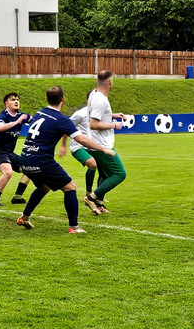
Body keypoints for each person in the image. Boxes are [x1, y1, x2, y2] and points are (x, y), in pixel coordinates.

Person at [16, 86, 114, 234]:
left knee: (44, 187)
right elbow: (82, 139)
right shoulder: (61, 119)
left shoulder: (39, 112)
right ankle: (74, 227)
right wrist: (103, 149)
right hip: (41, 160)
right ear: (63, 99)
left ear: (46, 99)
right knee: (70, 187)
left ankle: (24, 217)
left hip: (25, 159)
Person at [83, 71, 128, 215]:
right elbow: (93, 124)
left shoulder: (94, 94)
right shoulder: (101, 99)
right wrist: (114, 125)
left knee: (104, 174)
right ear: (109, 82)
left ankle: (99, 205)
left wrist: (112, 115)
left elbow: (96, 114)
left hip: (95, 142)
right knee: (119, 174)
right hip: (101, 145)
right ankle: (91, 197)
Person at [0, 92, 31, 207]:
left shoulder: (21, 115)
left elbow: (36, 120)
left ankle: (17, 197)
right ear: (7, 103)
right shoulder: (4, 115)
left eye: (17, 99)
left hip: (9, 152)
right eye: (13, 100)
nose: (16, 101)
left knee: (30, 169)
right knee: (8, 172)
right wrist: (17, 122)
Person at [58, 106, 99, 202]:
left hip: (92, 145)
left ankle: (98, 194)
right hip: (78, 146)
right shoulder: (80, 114)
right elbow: (66, 128)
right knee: (93, 164)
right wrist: (63, 145)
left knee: (103, 168)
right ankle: (89, 193)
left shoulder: (98, 114)